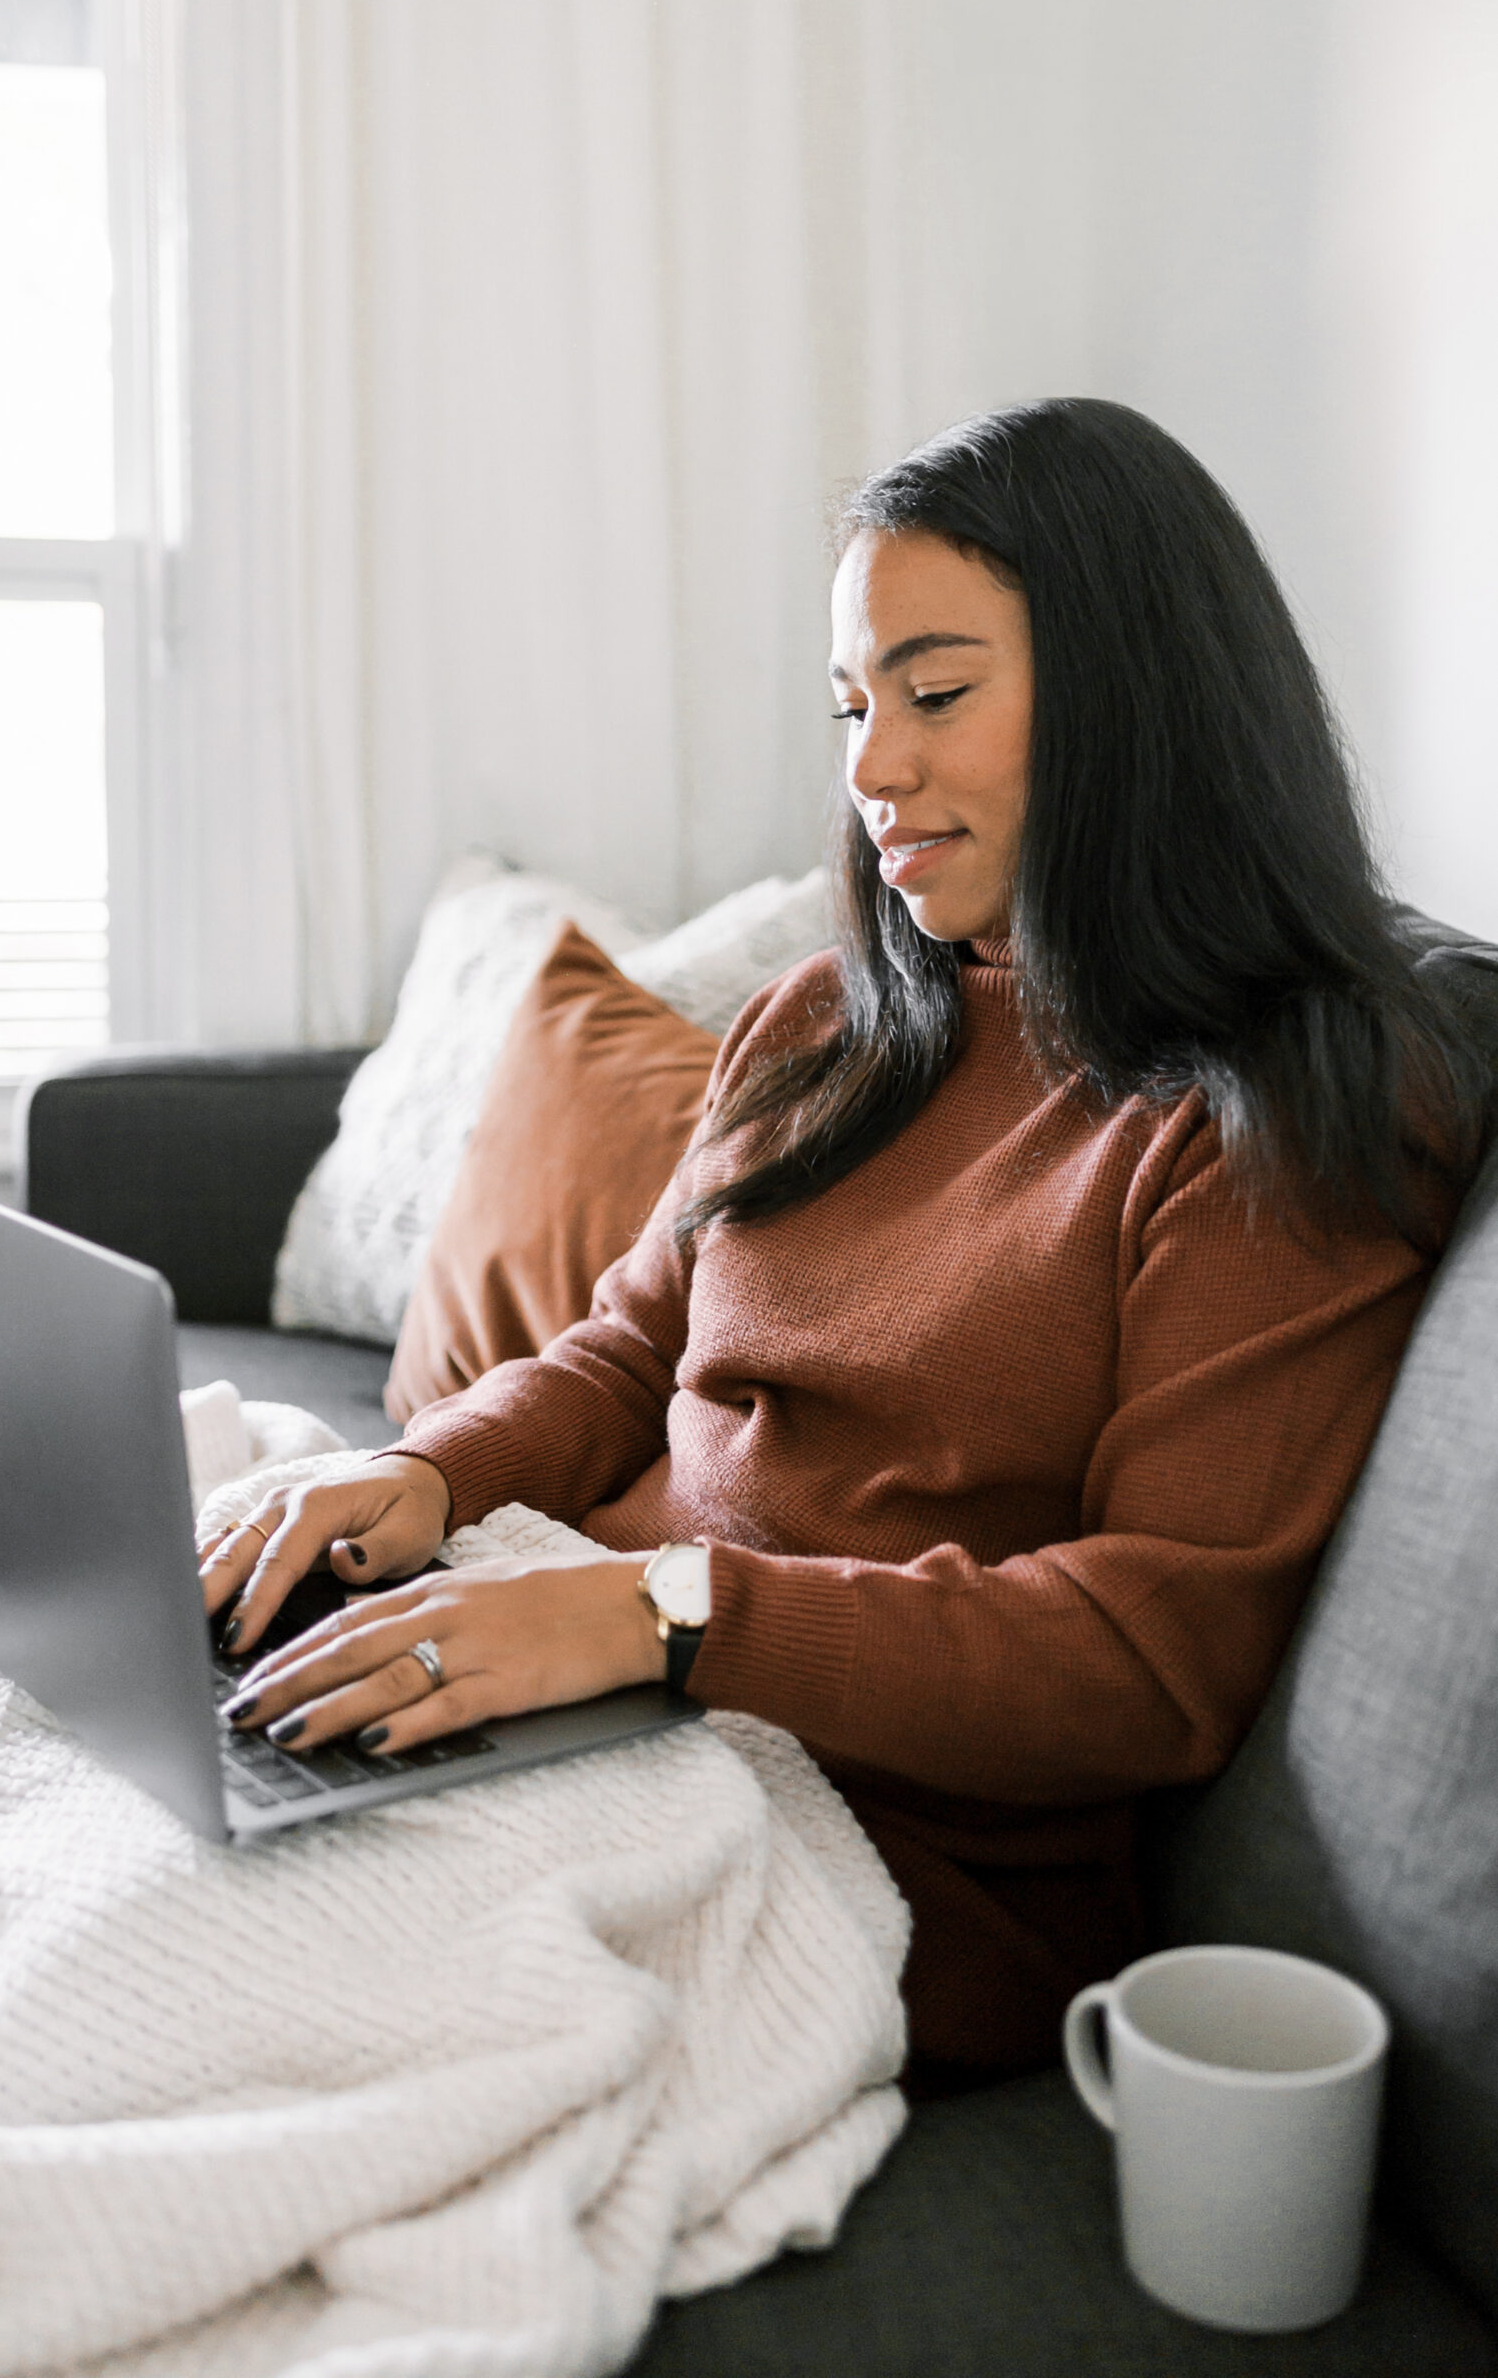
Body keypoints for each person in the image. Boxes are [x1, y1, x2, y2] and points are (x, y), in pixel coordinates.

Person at [200, 399, 1487, 2076]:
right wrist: (431, 1479)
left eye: (934, 693)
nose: (872, 767)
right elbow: (628, 1345)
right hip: (610, 1683)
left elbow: (1147, 1654)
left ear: (1137, 696)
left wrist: (657, 1616)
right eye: (852, 705)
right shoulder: (821, 1023)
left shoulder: (1267, 1113)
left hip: (870, 1840)